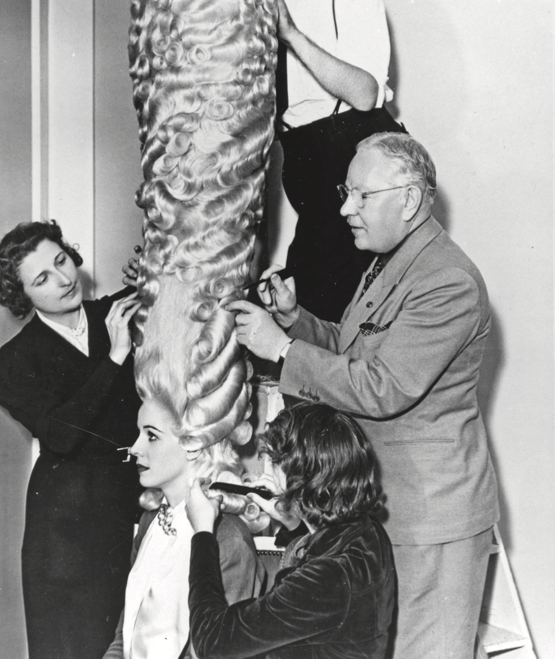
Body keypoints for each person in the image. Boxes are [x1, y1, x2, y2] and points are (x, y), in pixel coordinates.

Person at [228, 133, 500, 659]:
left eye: (361, 196)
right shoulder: (391, 260)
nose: (346, 208)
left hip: (430, 516)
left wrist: (282, 349)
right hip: (387, 508)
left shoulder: (448, 280)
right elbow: (358, 351)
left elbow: (382, 386)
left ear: (410, 200)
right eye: (344, 191)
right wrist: (297, 322)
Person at [236, 0, 404, 322]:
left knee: (359, 314)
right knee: (298, 311)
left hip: (356, 149)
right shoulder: (246, 8)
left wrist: (291, 34)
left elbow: (366, 94)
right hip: (302, 162)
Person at [0, 220, 141, 659]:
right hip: (66, 537)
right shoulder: (11, 363)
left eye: (61, 261)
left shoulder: (115, 313)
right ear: (23, 298)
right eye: (42, 279)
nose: (63, 279)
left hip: (130, 512)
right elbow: (62, 435)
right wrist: (114, 358)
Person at [186, 402, 396, 658]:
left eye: (274, 462)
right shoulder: (367, 531)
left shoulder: (325, 580)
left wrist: (203, 533)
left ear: (298, 477)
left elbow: (211, 641)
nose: (268, 471)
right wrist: (293, 520)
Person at [102, 396, 266, 659]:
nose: (133, 448)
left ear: (193, 446)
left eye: (151, 436)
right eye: (138, 434)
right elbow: (125, 634)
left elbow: (220, 650)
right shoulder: (150, 523)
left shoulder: (227, 535)